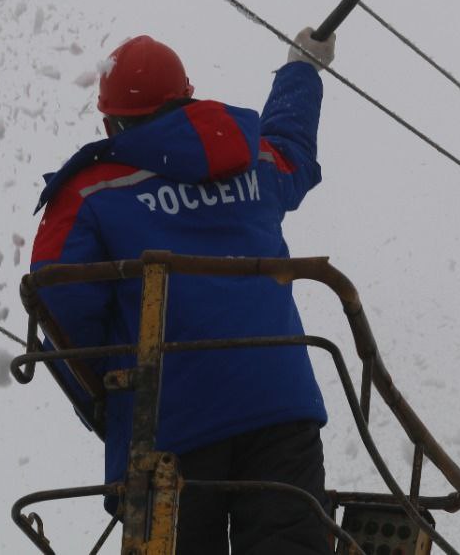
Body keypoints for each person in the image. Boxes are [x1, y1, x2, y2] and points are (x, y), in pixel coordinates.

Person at [29, 29, 337, 555]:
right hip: (281, 404)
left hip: (170, 428)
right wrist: (301, 69)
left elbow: (59, 307)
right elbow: (293, 150)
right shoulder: (252, 159)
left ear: (110, 122)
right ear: (188, 98)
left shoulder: (89, 193)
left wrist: (108, 403)